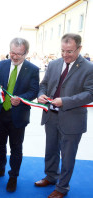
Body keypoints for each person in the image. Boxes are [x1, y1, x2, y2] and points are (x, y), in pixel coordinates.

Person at [35, 33, 93, 198]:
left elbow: (90, 93)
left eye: (70, 51)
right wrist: (41, 94)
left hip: (72, 119)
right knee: (51, 150)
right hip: (51, 116)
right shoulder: (53, 64)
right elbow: (44, 84)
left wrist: (65, 101)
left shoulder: (89, 68)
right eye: (63, 51)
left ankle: (62, 188)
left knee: (67, 156)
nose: (65, 55)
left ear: (79, 49)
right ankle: (51, 177)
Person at [0, 37, 39, 192]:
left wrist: (21, 99)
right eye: (12, 53)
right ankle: (0, 168)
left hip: (18, 116)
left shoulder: (33, 69)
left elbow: (34, 91)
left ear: (26, 53)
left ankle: (13, 176)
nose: (15, 57)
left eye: (19, 54)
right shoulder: (1, 64)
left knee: (16, 148)